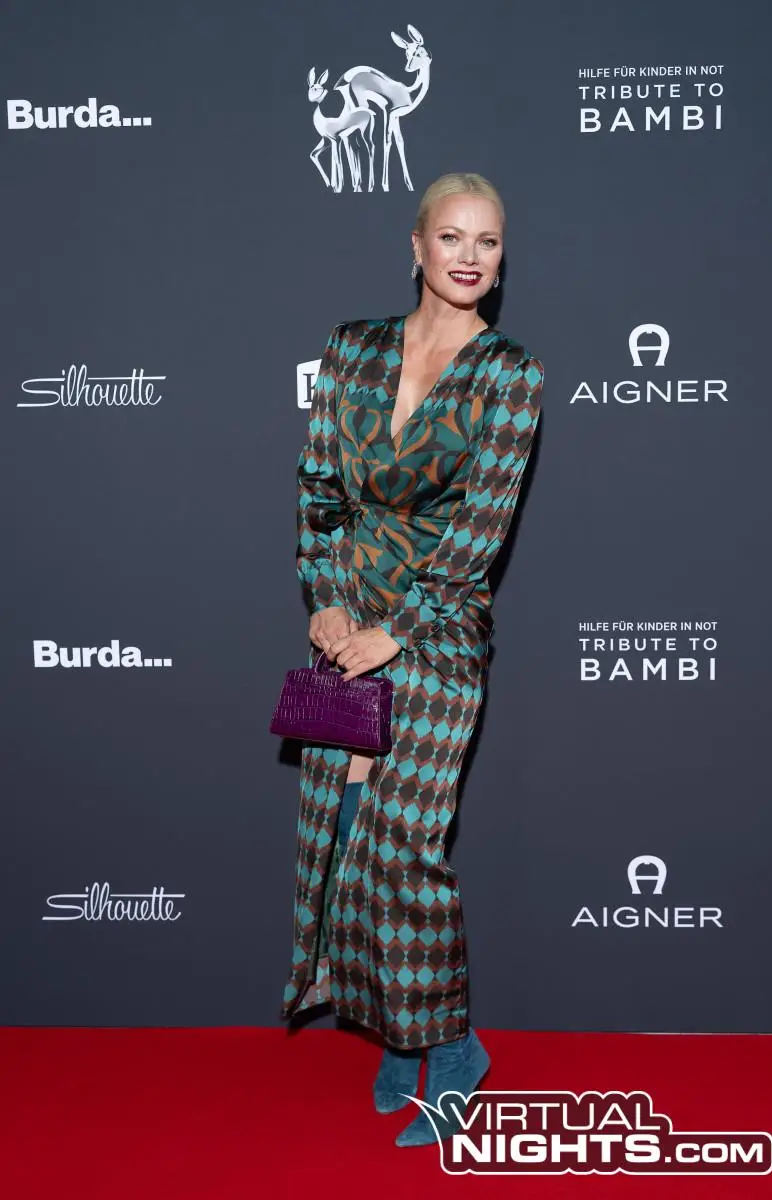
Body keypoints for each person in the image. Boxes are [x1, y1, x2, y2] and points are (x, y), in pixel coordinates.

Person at [280, 171, 543, 1148]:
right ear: (417, 245)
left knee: (404, 850)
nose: (469, 256)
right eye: (452, 237)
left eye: (487, 241)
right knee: (345, 838)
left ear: (499, 260)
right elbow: (319, 488)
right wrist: (327, 597)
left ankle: (453, 1048)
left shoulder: (509, 376)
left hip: (436, 638)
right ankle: (401, 1033)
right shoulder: (350, 349)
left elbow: (481, 531)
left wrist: (399, 628)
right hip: (346, 633)